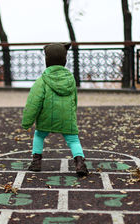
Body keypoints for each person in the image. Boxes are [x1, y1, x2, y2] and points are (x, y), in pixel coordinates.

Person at [21, 43, 89, 177]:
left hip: (46, 117)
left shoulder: (42, 81)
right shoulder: (71, 80)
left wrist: (27, 122)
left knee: (39, 135)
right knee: (73, 140)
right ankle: (80, 163)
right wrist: (72, 115)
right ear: (65, 60)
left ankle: (36, 162)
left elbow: (33, 102)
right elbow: (74, 100)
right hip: (67, 118)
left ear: (47, 60)